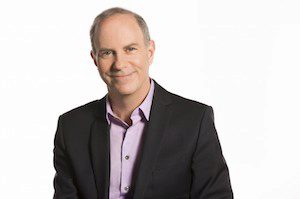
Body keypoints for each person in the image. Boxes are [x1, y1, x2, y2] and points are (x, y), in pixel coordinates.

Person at [53, 7, 233, 199]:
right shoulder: (71, 127)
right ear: (95, 59)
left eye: (130, 49)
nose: (120, 64)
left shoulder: (194, 121)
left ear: (150, 51)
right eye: (107, 53)